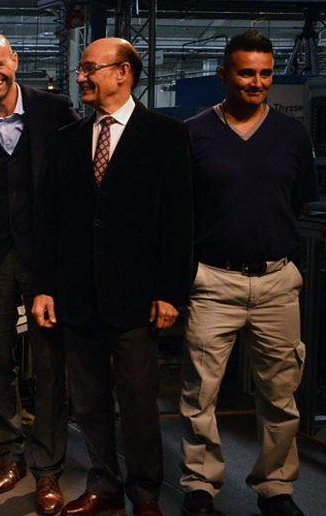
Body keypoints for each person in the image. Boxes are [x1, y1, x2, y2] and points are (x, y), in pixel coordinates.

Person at [31, 38, 193, 516]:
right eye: (81, 69)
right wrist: (44, 287)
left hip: (137, 298)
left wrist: (170, 292)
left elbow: (179, 222)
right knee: (89, 402)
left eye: (89, 68)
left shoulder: (166, 135)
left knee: (139, 401)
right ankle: (103, 484)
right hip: (77, 295)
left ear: (123, 72)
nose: (80, 77)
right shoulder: (66, 140)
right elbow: (49, 222)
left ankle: (145, 494)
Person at [178, 30, 317, 516]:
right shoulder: (194, 133)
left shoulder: (292, 135)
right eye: (246, 73)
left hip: (277, 282)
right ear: (224, 75)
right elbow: (180, 211)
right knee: (200, 394)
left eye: (265, 74)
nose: (257, 82)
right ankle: (200, 484)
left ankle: (276, 487)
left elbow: (296, 201)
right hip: (213, 282)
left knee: (281, 395)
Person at [0, 31, 78, 515]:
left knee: (49, 363)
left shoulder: (55, 110)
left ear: (15, 61)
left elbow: (75, 184)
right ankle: (10, 453)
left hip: (45, 258)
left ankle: (48, 467)